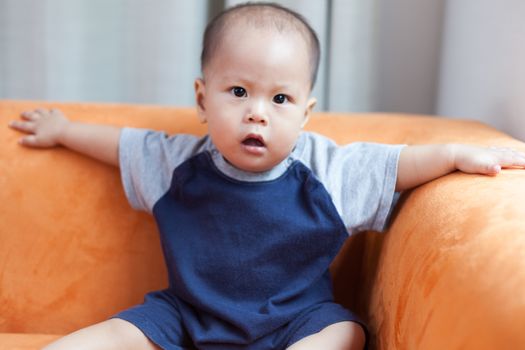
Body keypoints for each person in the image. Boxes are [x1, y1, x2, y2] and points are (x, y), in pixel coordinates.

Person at [8, 2, 525, 350]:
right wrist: (64, 130)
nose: (258, 113)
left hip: (293, 323)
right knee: (110, 335)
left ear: (305, 112)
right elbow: (122, 145)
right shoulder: (175, 164)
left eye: (280, 99)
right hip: (187, 316)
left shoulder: (326, 169)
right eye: (238, 92)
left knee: (346, 333)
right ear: (202, 99)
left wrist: (457, 154)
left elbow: (398, 164)